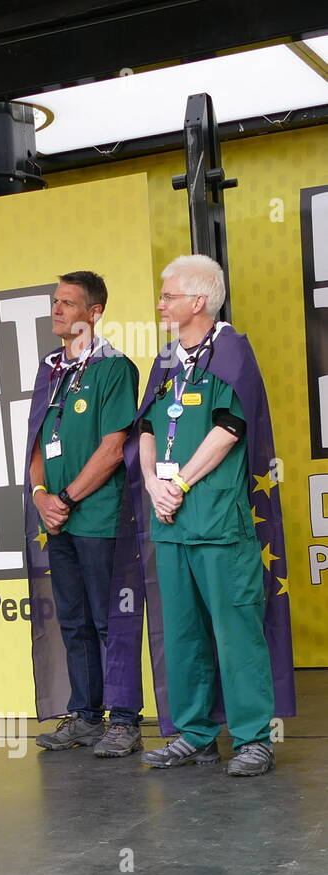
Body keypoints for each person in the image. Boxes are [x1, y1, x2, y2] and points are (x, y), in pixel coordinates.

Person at [136, 255, 294, 776]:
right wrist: (154, 483)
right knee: (181, 634)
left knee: (236, 632)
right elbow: (145, 429)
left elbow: (229, 428)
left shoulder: (231, 352)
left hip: (219, 523)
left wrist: (179, 482)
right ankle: (195, 734)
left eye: (169, 295)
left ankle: (253, 738)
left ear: (199, 301)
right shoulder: (165, 361)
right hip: (172, 524)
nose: (160, 303)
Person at [25, 272, 143, 757]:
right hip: (57, 520)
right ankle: (87, 716)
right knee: (71, 620)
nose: (57, 310)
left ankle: (125, 720)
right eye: (55, 301)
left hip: (97, 518)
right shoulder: (50, 368)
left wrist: (67, 498)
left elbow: (114, 448)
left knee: (108, 620)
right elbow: (35, 441)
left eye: (68, 303)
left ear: (94, 313)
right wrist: (39, 495)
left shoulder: (115, 368)